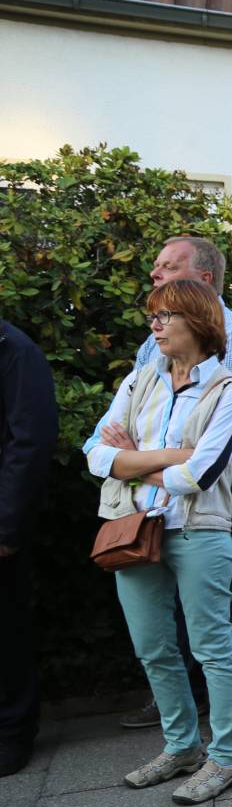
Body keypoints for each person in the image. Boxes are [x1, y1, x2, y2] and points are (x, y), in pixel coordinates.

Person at [84, 279, 232, 803]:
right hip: (133, 531)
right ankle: (181, 747)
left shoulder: (229, 391)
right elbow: (95, 454)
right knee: (153, 648)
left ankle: (227, 758)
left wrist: (132, 462)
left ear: (197, 323)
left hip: (198, 531)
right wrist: (164, 458)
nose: (153, 326)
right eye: (152, 316)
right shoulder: (139, 382)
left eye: (164, 316)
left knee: (212, 648)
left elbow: (199, 476)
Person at [113, 237, 232, 755]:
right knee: (165, 602)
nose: (155, 275)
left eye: (169, 268)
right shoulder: (153, 340)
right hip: (153, 491)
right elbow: (115, 436)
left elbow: (217, 436)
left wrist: (140, 459)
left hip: (217, 489)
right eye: (155, 266)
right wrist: (153, 456)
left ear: (202, 280)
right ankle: (184, 705)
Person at [0, 320, 56, 778]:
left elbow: (30, 443)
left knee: (6, 631)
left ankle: (12, 734)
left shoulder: (15, 350)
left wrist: (7, 526)